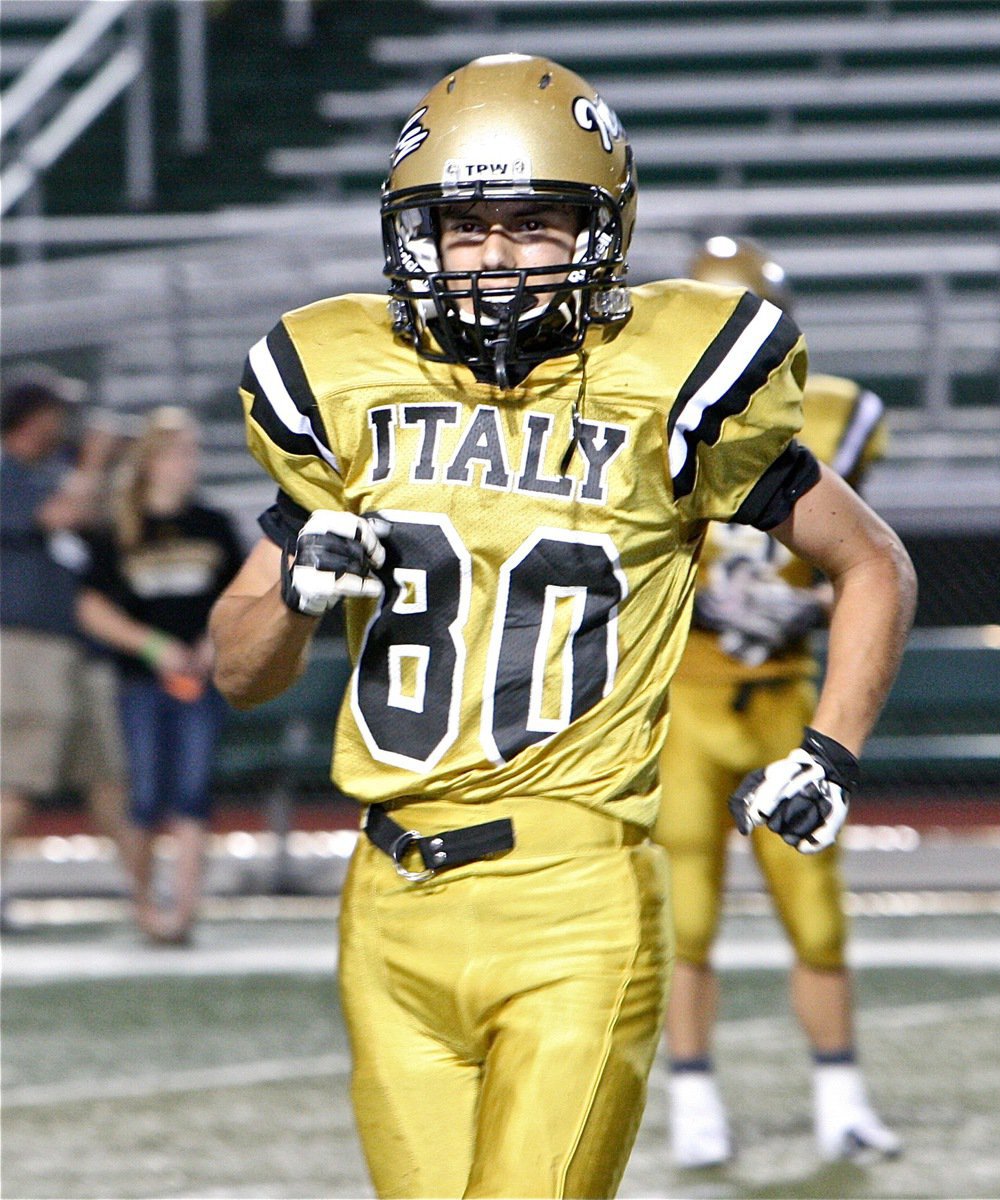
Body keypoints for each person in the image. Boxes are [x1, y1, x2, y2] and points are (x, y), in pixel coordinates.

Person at [209, 54, 916, 1200]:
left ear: (602, 232)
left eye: (533, 224)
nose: (492, 258)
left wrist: (829, 749)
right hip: (384, 902)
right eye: (462, 226)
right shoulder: (344, 386)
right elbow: (236, 667)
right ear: (411, 236)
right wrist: (295, 595)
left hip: (574, 891)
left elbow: (868, 558)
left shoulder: (668, 378)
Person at [654, 235, 904, 1168]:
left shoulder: (838, 414)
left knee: (816, 908)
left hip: (784, 699)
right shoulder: (643, 409)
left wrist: (801, 603)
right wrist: (698, 600)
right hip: (687, 693)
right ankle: (692, 1102)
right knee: (687, 913)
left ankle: (841, 1097)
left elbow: (863, 563)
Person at [76, 407, 244, 944]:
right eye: (176, 453)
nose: (186, 464)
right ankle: (146, 907)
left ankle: (186, 911)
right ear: (150, 460)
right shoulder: (118, 528)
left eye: (192, 453)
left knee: (192, 792)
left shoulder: (212, 524)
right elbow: (92, 607)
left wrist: (207, 646)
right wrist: (153, 647)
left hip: (199, 678)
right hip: (141, 681)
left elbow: (241, 595)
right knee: (145, 795)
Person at [0, 367, 141, 925]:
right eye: (54, 412)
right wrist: (94, 462)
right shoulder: (7, 473)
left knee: (108, 781)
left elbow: (104, 520)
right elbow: (65, 514)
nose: (64, 422)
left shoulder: (55, 468)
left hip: (80, 649)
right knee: (18, 776)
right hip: (25, 647)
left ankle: (148, 894)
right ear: (30, 418)